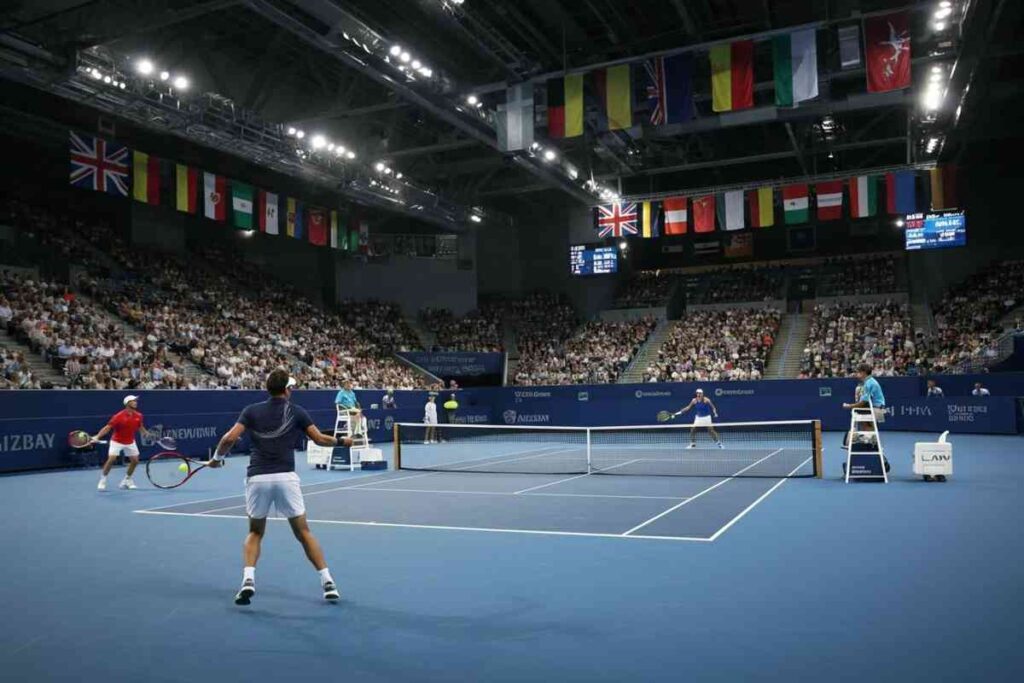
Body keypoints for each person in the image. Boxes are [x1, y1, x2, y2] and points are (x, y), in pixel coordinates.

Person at [210, 369, 352, 606]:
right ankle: (328, 582)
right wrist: (342, 442)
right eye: (291, 387)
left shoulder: (251, 411)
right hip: (286, 478)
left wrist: (216, 458)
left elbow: (228, 439)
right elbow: (319, 439)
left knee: (255, 532)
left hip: (257, 479)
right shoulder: (296, 411)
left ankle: (248, 580)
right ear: (287, 389)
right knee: (304, 533)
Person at [93, 395, 152, 491]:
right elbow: (107, 428)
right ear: (128, 403)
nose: (136, 402)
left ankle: (126, 480)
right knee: (112, 459)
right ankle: (103, 480)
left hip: (130, 441)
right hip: (117, 441)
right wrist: (97, 436)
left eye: (136, 401)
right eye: (134, 401)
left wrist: (146, 434)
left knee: (135, 461)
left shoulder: (139, 415)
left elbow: (140, 427)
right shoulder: (118, 416)